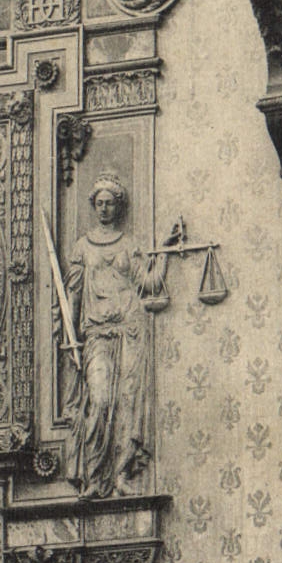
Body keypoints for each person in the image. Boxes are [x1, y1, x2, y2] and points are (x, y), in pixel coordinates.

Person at [58, 175, 180, 499]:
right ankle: (95, 478)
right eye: (99, 203)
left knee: (127, 404)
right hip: (96, 333)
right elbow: (73, 295)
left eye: (110, 203)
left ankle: (123, 473)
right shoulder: (82, 247)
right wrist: (70, 337)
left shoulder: (129, 245)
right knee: (99, 401)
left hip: (131, 330)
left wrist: (165, 250)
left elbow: (151, 284)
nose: (104, 208)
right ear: (93, 205)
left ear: (118, 205)